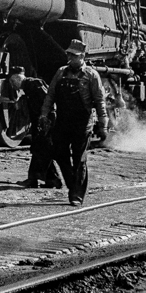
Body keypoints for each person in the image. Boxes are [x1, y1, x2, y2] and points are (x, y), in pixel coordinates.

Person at [38, 39, 107, 207]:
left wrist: (103, 124)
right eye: (69, 54)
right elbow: (50, 95)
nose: (70, 58)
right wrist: (44, 115)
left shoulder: (91, 75)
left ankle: (77, 194)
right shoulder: (61, 73)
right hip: (63, 121)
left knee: (80, 159)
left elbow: (99, 101)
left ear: (82, 56)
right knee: (60, 153)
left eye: (74, 55)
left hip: (82, 124)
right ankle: (71, 183)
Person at [8, 70, 61, 188]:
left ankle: (33, 180)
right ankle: (52, 179)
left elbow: (47, 102)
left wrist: (44, 120)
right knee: (42, 151)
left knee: (39, 150)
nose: (13, 87)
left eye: (13, 84)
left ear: (17, 82)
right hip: (42, 122)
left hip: (45, 123)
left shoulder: (35, 85)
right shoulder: (29, 87)